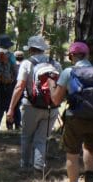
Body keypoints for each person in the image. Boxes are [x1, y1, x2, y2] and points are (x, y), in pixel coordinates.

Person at [52, 41, 93, 182]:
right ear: (87, 55)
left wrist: (52, 85)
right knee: (90, 150)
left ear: (72, 56)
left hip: (75, 118)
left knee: (72, 152)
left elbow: (56, 100)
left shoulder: (68, 72)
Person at [7, 35, 60, 173]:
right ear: (43, 49)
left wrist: (11, 108)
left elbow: (19, 86)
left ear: (31, 49)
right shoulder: (55, 64)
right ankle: (38, 167)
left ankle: (25, 165)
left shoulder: (26, 63)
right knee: (42, 138)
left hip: (31, 106)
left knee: (27, 136)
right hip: (51, 107)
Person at [0, 33, 19, 125]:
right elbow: (15, 68)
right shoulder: (10, 55)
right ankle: (9, 125)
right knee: (8, 104)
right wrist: (15, 80)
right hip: (7, 83)